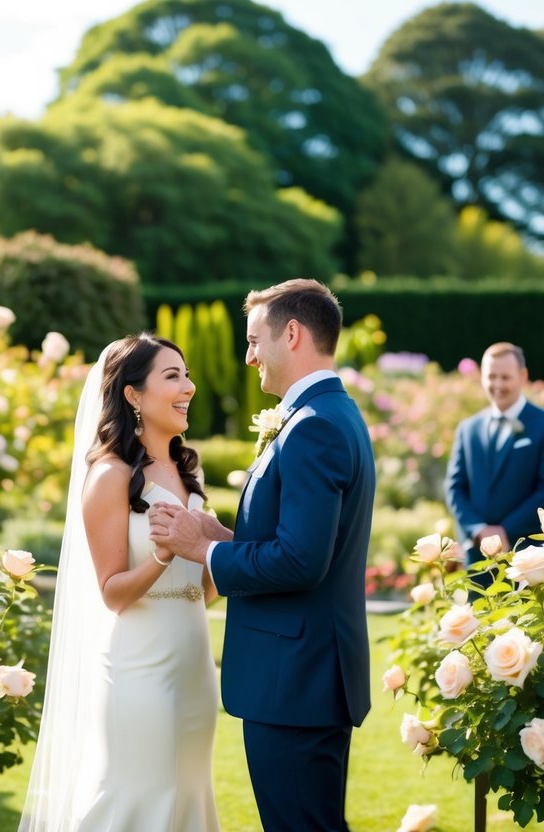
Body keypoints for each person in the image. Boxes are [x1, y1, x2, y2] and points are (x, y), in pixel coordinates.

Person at [148, 279, 375, 832]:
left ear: (291, 334)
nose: (248, 357)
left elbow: (301, 562)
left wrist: (200, 549)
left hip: (295, 679)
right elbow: (305, 542)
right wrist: (227, 538)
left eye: (254, 341)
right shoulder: (329, 414)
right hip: (307, 675)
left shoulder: (312, 428)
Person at [20, 334, 219, 831]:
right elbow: (111, 592)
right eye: (171, 376)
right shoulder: (109, 475)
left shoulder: (186, 469)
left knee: (188, 796)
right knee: (134, 798)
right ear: (132, 394)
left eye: (186, 374)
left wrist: (221, 553)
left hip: (196, 665)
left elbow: (205, 591)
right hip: (139, 668)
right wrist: (161, 554)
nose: (188, 387)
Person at [446, 342, 544, 577]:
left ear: (523, 376)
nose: (498, 385)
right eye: (491, 377)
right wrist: (479, 530)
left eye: (505, 377)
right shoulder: (467, 429)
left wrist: (505, 530)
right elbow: (455, 488)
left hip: (529, 555)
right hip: (477, 554)